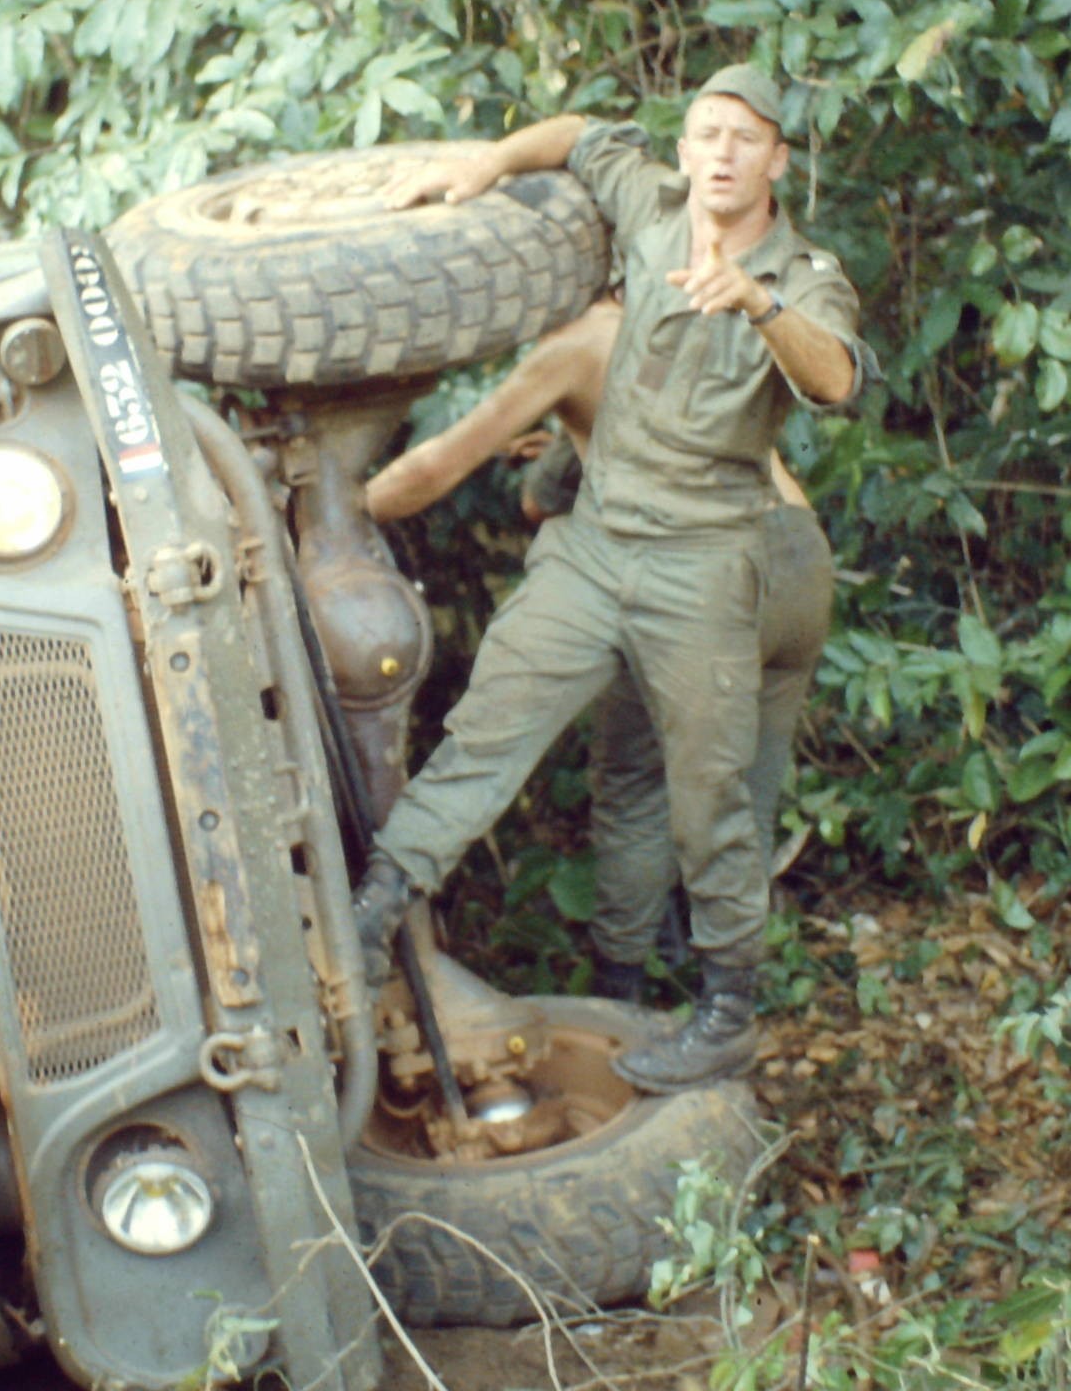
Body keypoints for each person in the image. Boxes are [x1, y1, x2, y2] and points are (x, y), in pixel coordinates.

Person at [352, 63, 873, 1093]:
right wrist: (489, 161)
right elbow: (582, 135)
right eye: (706, 133)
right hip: (594, 551)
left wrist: (761, 304)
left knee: (709, 792)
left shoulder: (805, 272)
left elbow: (840, 380)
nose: (721, 153)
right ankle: (373, 918)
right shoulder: (652, 197)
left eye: (745, 138)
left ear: (778, 158)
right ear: (684, 149)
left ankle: (726, 1008)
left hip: (706, 560)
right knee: (488, 728)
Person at [364, 302, 837, 1000]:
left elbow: (446, 474)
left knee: (636, 783)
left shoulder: (575, 346)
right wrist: (568, 436)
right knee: (742, 790)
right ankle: (721, 1001)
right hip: (798, 561)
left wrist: (319, 519)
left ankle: (623, 993)